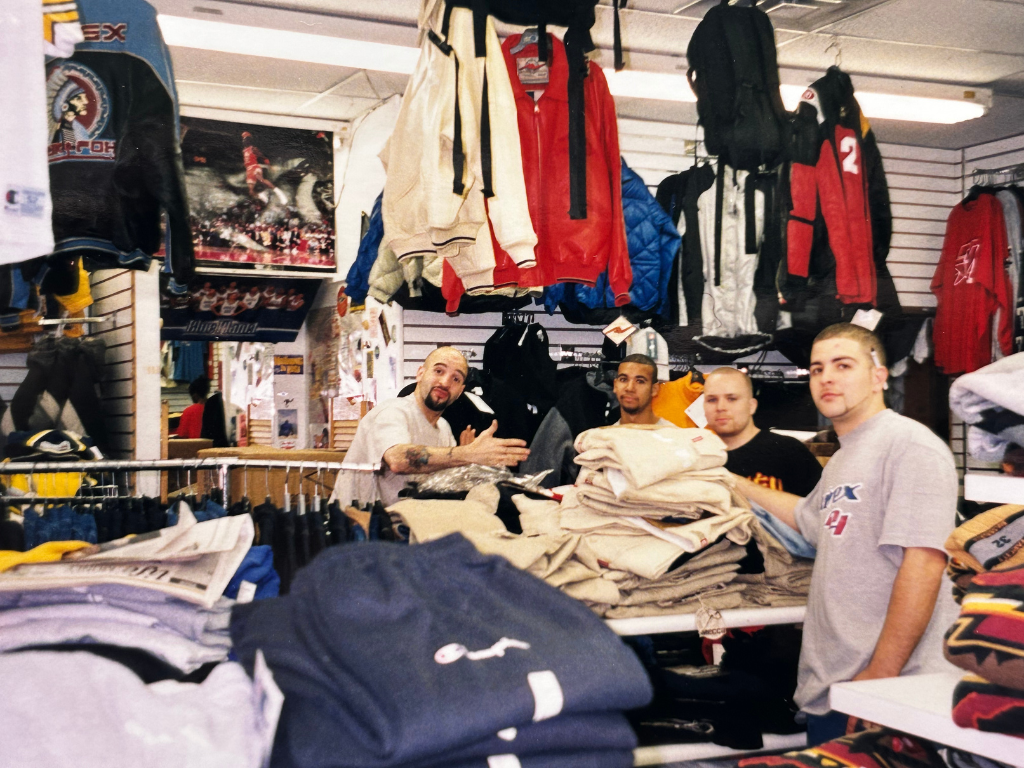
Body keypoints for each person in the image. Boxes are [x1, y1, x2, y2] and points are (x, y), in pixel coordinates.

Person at [733, 323, 958, 746]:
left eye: (843, 365)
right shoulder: (843, 458)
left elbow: (924, 564)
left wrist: (879, 681)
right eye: (817, 369)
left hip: (889, 688)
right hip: (834, 687)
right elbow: (807, 519)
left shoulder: (911, 446)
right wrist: (731, 482)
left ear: (878, 376)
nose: (827, 378)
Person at [341, 347, 531, 507]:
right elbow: (398, 459)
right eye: (439, 371)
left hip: (404, 529)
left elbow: (444, 485)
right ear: (421, 373)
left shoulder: (443, 428)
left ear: (460, 392)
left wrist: (469, 460)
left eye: (456, 379)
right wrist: (466, 454)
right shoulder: (392, 411)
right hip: (354, 529)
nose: (445, 382)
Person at [704, 367, 822, 495]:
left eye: (731, 399)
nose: (721, 407)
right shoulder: (697, 457)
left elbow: (824, 511)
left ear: (751, 406)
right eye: (712, 400)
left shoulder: (789, 451)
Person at [613, 354, 674, 427]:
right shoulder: (603, 437)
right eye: (623, 379)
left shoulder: (673, 436)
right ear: (615, 385)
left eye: (640, 381)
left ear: (654, 389)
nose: (629, 388)